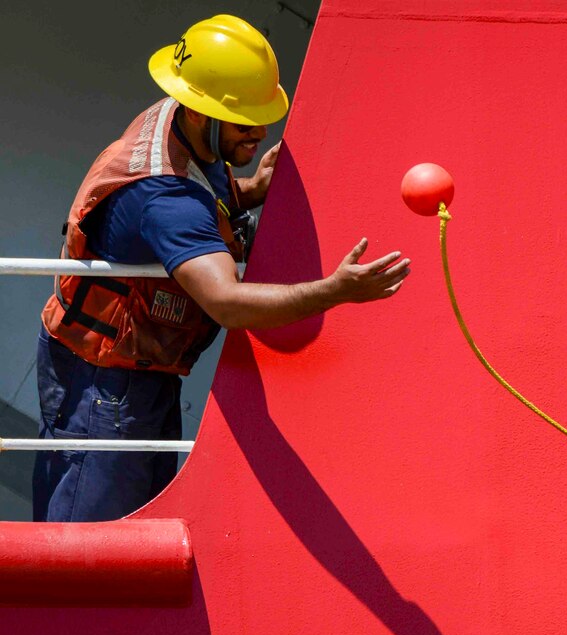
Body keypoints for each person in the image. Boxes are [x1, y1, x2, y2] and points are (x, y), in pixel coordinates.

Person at [32, 15, 411, 523]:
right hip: (104, 389)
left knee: (137, 524)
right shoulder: (166, 198)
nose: (259, 132)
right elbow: (227, 302)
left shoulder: (181, 121)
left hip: (137, 371)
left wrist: (250, 188)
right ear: (198, 110)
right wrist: (335, 290)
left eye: (262, 117)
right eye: (244, 123)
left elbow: (201, 196)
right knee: (86, 542)